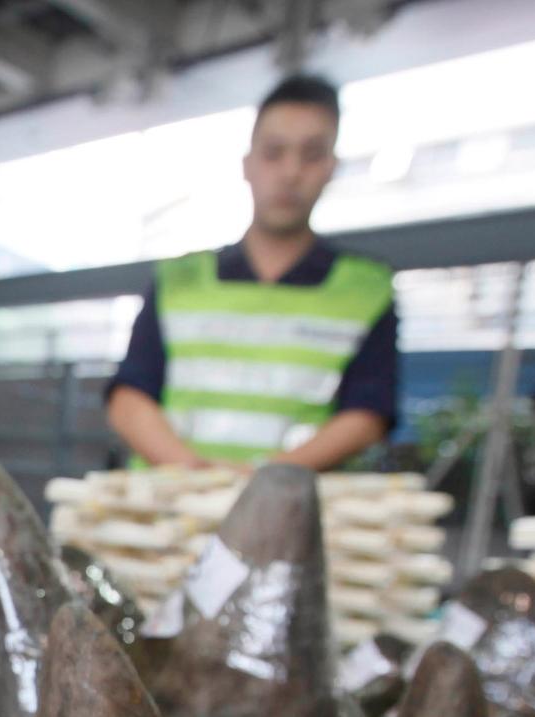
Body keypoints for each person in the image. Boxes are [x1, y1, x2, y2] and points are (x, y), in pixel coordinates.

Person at [105, 73, 399, 471]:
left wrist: (266, 482)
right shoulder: (179, 280)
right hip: (171, 514)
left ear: (331, 166)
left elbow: (368, 411)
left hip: (291, 517)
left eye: (311, 155)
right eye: (274, 152)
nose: (291, 172)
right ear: (248, 164)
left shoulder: (364, 289)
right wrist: (193, 474)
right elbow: (129, 394)